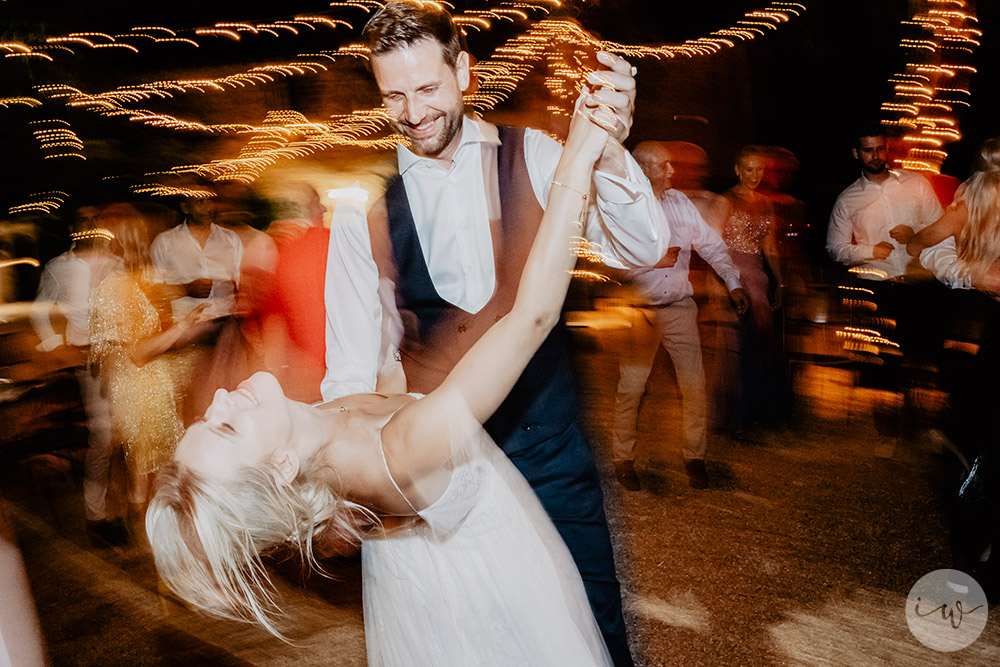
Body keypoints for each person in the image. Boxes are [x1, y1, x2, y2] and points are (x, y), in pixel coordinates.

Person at [147, 80, 620, 666]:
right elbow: (534, 315)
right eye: (227, 429)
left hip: (422, 587)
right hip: (498, 593)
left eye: (205, 418)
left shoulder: (312, 426)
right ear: (281, 466)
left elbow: (400, 380)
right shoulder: (401, 451)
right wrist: (575, 159)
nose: (219, 399)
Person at [322, 5, 669, 663]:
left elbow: (644, 246)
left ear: (464, 72)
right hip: (445, 482)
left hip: (551, 456)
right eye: (394, 95)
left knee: (594, 632)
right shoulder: (363, 215)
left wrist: (609, 148)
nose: (413, 110)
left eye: (427, 88)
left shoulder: (536, 156)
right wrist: (344, 480)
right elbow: (347, 371)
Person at [611, 142, 749, 492]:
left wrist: (733, 283)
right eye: (665, 166)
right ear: (643, 169)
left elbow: (713, 246)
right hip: (640, 310)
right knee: (632, 389)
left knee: (694, 386)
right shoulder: (625, 207)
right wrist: (650, 261)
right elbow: (609, 261)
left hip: (680, 308)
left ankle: (695, 458)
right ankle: (623, 459)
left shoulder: (681, 204)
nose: (673, 172)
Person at [89, 205, 214, 532]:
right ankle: (150, 542)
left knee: (152, 475)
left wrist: (185, 328)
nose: (145, 240)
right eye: (138, 235)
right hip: (138, 390)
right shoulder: (117, 286)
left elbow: (154, 330)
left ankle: (154, 541)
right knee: (145, 474)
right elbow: (138, 353)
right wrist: (182, 328)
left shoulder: (143, 280)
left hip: (158, 384)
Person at [30, 205, 126, 545]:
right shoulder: (59, 266)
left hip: (122, 355)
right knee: (103, 435)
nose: (89, 225)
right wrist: (58, 344)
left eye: (93, 219)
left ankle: (123, 507)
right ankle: (96, 517)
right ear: (74, 227)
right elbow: (41, 309)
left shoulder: (115, 264)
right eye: (82, 220)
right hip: (88, 361)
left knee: (125, 435)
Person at [713, 145, 785, 431]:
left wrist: (780, 281)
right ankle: (733, 415)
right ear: (737, 170)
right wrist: (720, 281)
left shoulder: (766, 204)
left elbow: (769, 246)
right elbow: (714, 243)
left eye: (760, 169)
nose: (755, 175)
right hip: (732, 275)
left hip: (757, 277)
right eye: (749, 169)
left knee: (757, 346)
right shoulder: (725, 201)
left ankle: (751, 412)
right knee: (735, 348)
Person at [826, 125, 943, 281]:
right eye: (868, 150)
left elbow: (941, 227)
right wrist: (871, 252)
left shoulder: (917, 183)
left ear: (886, 149)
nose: (875, 156)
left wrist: (915, 234)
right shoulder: (846, 200)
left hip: (921, 279)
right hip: (877, 284)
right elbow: (835, 248)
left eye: (880, 149)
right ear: (856, 153)